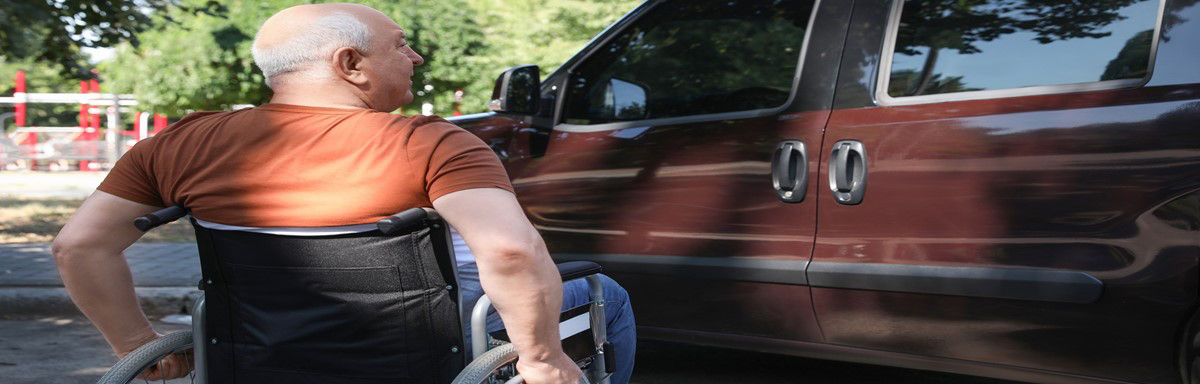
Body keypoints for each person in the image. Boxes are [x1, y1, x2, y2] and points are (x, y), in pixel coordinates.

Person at [51, 3, 634, 384]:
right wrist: (542, 359)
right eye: (401, 45)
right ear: (350, 63)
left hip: (257, 354)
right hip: (413, 355)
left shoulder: (181, 144)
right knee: (605, 291)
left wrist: (137, 343)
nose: (416, 57)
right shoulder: (430, 142)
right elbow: (509, 253)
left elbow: (79, 247)